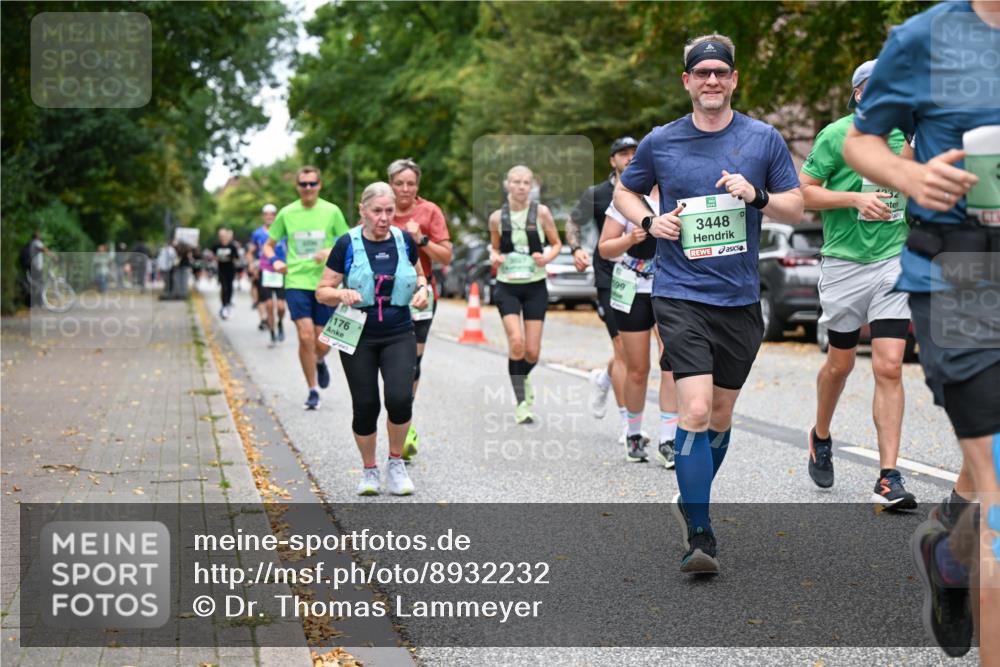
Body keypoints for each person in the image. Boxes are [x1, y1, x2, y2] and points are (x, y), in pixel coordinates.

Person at [842, 1, 999, 658]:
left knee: (986, 470)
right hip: (963, 272)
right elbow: (861, 139)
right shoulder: (926, 36)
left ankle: (949, 550)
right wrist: (913, 176)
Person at [614, 34, 803, 574]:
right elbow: (625, 192)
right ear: (687, 81)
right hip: (679, 294)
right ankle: (700, 532)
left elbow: (794, 207)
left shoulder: (763, 139)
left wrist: (757, 195)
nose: (712, 81)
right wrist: (650, 221)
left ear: (734, 79)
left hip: (739, 298)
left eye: (721, 72)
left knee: (720, 415)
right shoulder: (662, 141)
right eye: (703, 73)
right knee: (693, 410)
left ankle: (688, 495)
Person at [799, 59, 917, 509]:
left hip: (893, 260)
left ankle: (888, 477)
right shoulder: (836, 135)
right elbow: (805, 191)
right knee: (840, 365)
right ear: (860, 94)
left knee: (889, 366)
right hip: (845, 264)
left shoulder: (908, 137)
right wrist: (853, 199)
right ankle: (821, 433)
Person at [316, 182, 429, 495]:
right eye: (377, 211)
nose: (383, 217)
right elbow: (322, 291)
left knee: (400, 398)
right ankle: (369, 470)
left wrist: (423, 290)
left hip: (398, 331)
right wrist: (340, 292)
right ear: (363, 211)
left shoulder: (404, 240)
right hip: (358, 334)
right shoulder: (346, 244)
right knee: (366, 405)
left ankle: (396, 463)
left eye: (389, 211)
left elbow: (420, 275)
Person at [598, 186, 679, 465]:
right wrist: (630, 238)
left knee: (671, 362)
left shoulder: (679, 192)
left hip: (670, 287)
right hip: (631, 287)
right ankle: (633, 433)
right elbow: (605, 248)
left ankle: (668, 440)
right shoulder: (627, 200)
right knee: (638, 368)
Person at [568, 137, 639, 445]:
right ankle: (628, 424)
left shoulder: (650, 189)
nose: (630, 158)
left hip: (648, 277)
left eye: (635, 153)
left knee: (636, 355)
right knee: (624, 348)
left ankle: (605, 377)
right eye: (624, 154)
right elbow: (573, 222)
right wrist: (575, 249)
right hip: (611, 277)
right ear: (613, 161)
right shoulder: (597, 194)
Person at [264, 166, 350, 410]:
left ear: (319, 185)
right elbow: (269, 246)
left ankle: (319, 360)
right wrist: (276, 261)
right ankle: (312, 390)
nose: (308, 188)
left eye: (312, 184)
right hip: (296, 282)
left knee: (322, 342)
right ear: (298, 187)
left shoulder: (331, 211)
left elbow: (347, 243)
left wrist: (330, 251)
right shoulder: (287, 213)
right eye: (304, 184)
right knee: (305, 335)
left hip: (326, 283)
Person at [387, 158, 453, 460]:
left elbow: (446, 257)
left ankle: (405, 422)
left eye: (410, 183)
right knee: (388, 364)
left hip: (420, 296)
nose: (405, 189)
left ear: (418, 185)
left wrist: (421, 238)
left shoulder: (429, 211)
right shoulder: (381, 210)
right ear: (390, 184)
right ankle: (400, 419)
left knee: (411, 365)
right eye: (399, 183)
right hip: (383, 299)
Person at [489, 165, 562, 424]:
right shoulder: (498, 217)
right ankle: (521, 402)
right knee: (516, 342)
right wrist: (494, 257)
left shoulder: (541, 213)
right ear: (507, 185)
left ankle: (524, 374)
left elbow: (556, 243)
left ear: (532, 186)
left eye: (526, 182)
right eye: (516, 182)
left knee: (532, 351)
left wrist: (548, 258)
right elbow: (494, 248)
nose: (521, 186)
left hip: (534, 285)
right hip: (507, 285)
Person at [249, 204, 285, 339]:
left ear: (275, 216)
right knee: (269, 305)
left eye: (272, 214)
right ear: (263, 216)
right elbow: (250, 252)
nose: (269, 216)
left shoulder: (283, 233)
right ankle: (272, 331)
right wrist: (252, 265)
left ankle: (280, 322)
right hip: (265, 271)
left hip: (281, 271)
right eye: (266, 214)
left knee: (281, 307)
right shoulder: (257, 233)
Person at [211, 228, 240, 319]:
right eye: (221, 236)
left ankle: (228, 302)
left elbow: (236, 257)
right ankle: (223, 304)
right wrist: (216, 258)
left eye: (224, 235)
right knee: (223, 286)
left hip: (230, 269)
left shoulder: (232, 246)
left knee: (229, 286)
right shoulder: (216, 246)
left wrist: (230, 258)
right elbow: (212, 256)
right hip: (221, 269)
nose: (223, 237)